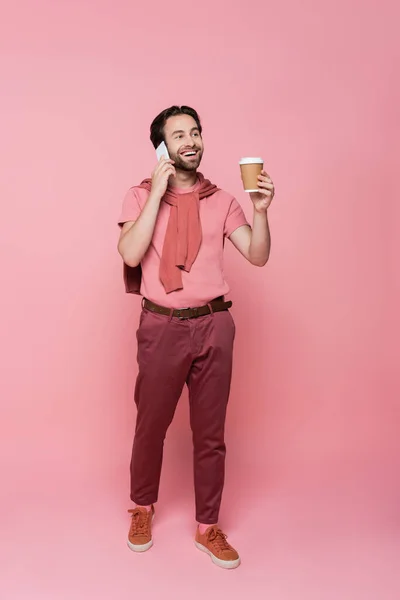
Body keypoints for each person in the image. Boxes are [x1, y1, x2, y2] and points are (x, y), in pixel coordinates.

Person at [117, 105, 275, 569]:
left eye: (196, 132)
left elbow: (258, 255)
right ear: (162, 146)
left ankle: (209, 527)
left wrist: (261, 212)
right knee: (151, 426)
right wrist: (158, 191)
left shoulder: (223, 199)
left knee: (211, 435)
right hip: (161, 324)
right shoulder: (138, 195)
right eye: (179, 134)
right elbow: (130, 252)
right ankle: (141, 508)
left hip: (214, 325)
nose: (191, 141)